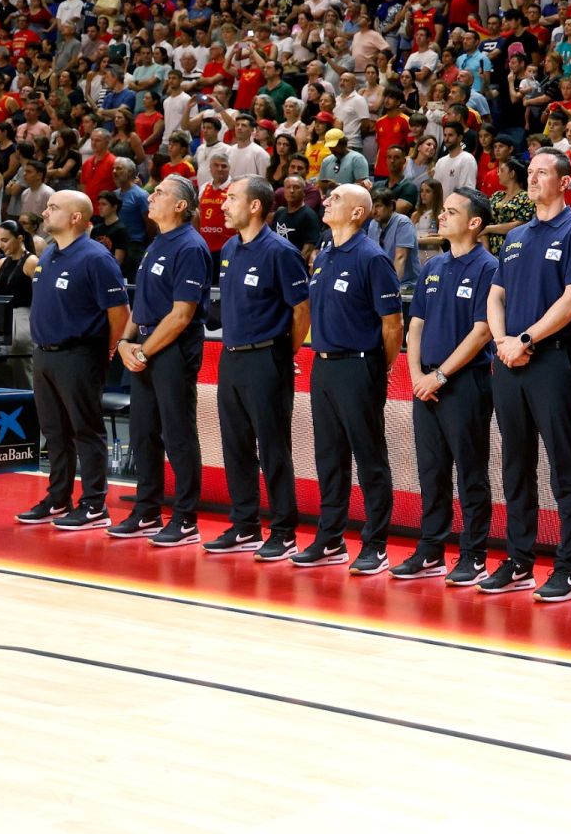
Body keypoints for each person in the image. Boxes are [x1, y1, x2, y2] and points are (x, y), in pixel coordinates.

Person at [482, 148, 571, 600]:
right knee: (515, 465)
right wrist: (502, 342)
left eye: (542, 173)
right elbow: (496, 296)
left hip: (549, 360)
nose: (531, 179)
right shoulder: (515, 237)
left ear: (566, 182)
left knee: (563, 467)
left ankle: (569, 567)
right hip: (509, 361)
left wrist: (525, 340)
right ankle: (519, 560)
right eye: (529, 172)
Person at [297, 182, 404, 574]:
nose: (326, 201)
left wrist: (377, 368)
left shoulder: (372, 258)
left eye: (336, 198)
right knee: (329, 457)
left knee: (369, 459)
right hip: (323, 365)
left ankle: (375, 544)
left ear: (358, 213)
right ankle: (330, 539)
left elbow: (393, 326)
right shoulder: (324, 253)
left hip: (359, 366)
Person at [396, 187, 499, 584]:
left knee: (470, 473)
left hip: (465, 383)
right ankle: (431, 550)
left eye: (451, 211)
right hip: (427, 384)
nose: (440, 216)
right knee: (431, 471)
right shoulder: (434, 266)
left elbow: (481, 332)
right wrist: (418, 376)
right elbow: (415, 324)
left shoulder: (488, 267)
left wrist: (439, 376)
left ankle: (473, 556)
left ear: (474, 223)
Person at [207, 176, 311, 561]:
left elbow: (302, 310)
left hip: (267, 358)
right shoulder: (230, 247)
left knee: (273, 449)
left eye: (231, 198)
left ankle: (283, 530)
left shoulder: (281, 252)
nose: (223, 205)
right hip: (231, 357)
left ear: (254, 206)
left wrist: (285, 352)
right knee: (235, 447)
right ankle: (245, 524)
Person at [108, 174, 213, 547]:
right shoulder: (155, 244)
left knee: (178, 434)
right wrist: (124, 342)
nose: (150, 197)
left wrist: (142, 349)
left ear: (181, 206)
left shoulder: (190, 246)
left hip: (173, 348)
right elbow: (141, 305)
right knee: (143, 433)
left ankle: (185, 519)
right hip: (146, 345)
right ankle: (147, 509)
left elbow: (181, 314)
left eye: (159, 193)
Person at [14, 191, 129, 530]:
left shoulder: (96, 257)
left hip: (79, 354)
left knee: (85, 430)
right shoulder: (49, 253)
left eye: (53, 208)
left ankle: (94, 504)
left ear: (76, 217)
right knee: (54, 431)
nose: (45, 213)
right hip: (45, 354)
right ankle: (58, 497)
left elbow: (119, 313)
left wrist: (105, 351)